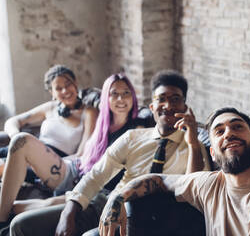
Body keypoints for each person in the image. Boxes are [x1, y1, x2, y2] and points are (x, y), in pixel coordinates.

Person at [98, 6, 250, 236]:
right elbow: (159, 179)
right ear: (212, 152)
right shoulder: (209, 186)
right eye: (219, 131)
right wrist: (116, 197)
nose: (228, 133)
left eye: (237, 126)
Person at [11, 70, 211, 236]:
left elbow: (194, 191)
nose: (168, 106)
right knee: (21, 225)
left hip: (143, 217)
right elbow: (96, 175)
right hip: (103, 202)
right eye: (162, 99)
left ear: (185, 106)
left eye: (175, 100)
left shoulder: (194, 147)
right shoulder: (133, 137)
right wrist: (68, 212)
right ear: (152, 107)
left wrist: (193, 143)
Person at [6, 72, 145, 235]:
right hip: (81, 178)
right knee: (14, 208)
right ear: (106, 99)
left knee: (22, 211)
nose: (120, 99)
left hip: (95, 192)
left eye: (126, 93)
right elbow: (86, 157)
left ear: (133, 97)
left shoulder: (137, 129)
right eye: (114, 94)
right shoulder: (103, 125)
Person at [0, 65, 98, 231]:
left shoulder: (88, 113)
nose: (65, 90)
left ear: (76, 84)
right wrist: (17, 139)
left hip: (61, 163)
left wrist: (37, 160)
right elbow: (12, 122)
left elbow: (82, 154)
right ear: (52, 93)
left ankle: (1, 219)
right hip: (30, 154)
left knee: (23, 141)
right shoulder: (50, 108)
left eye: (68, 84)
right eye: (58, 88)